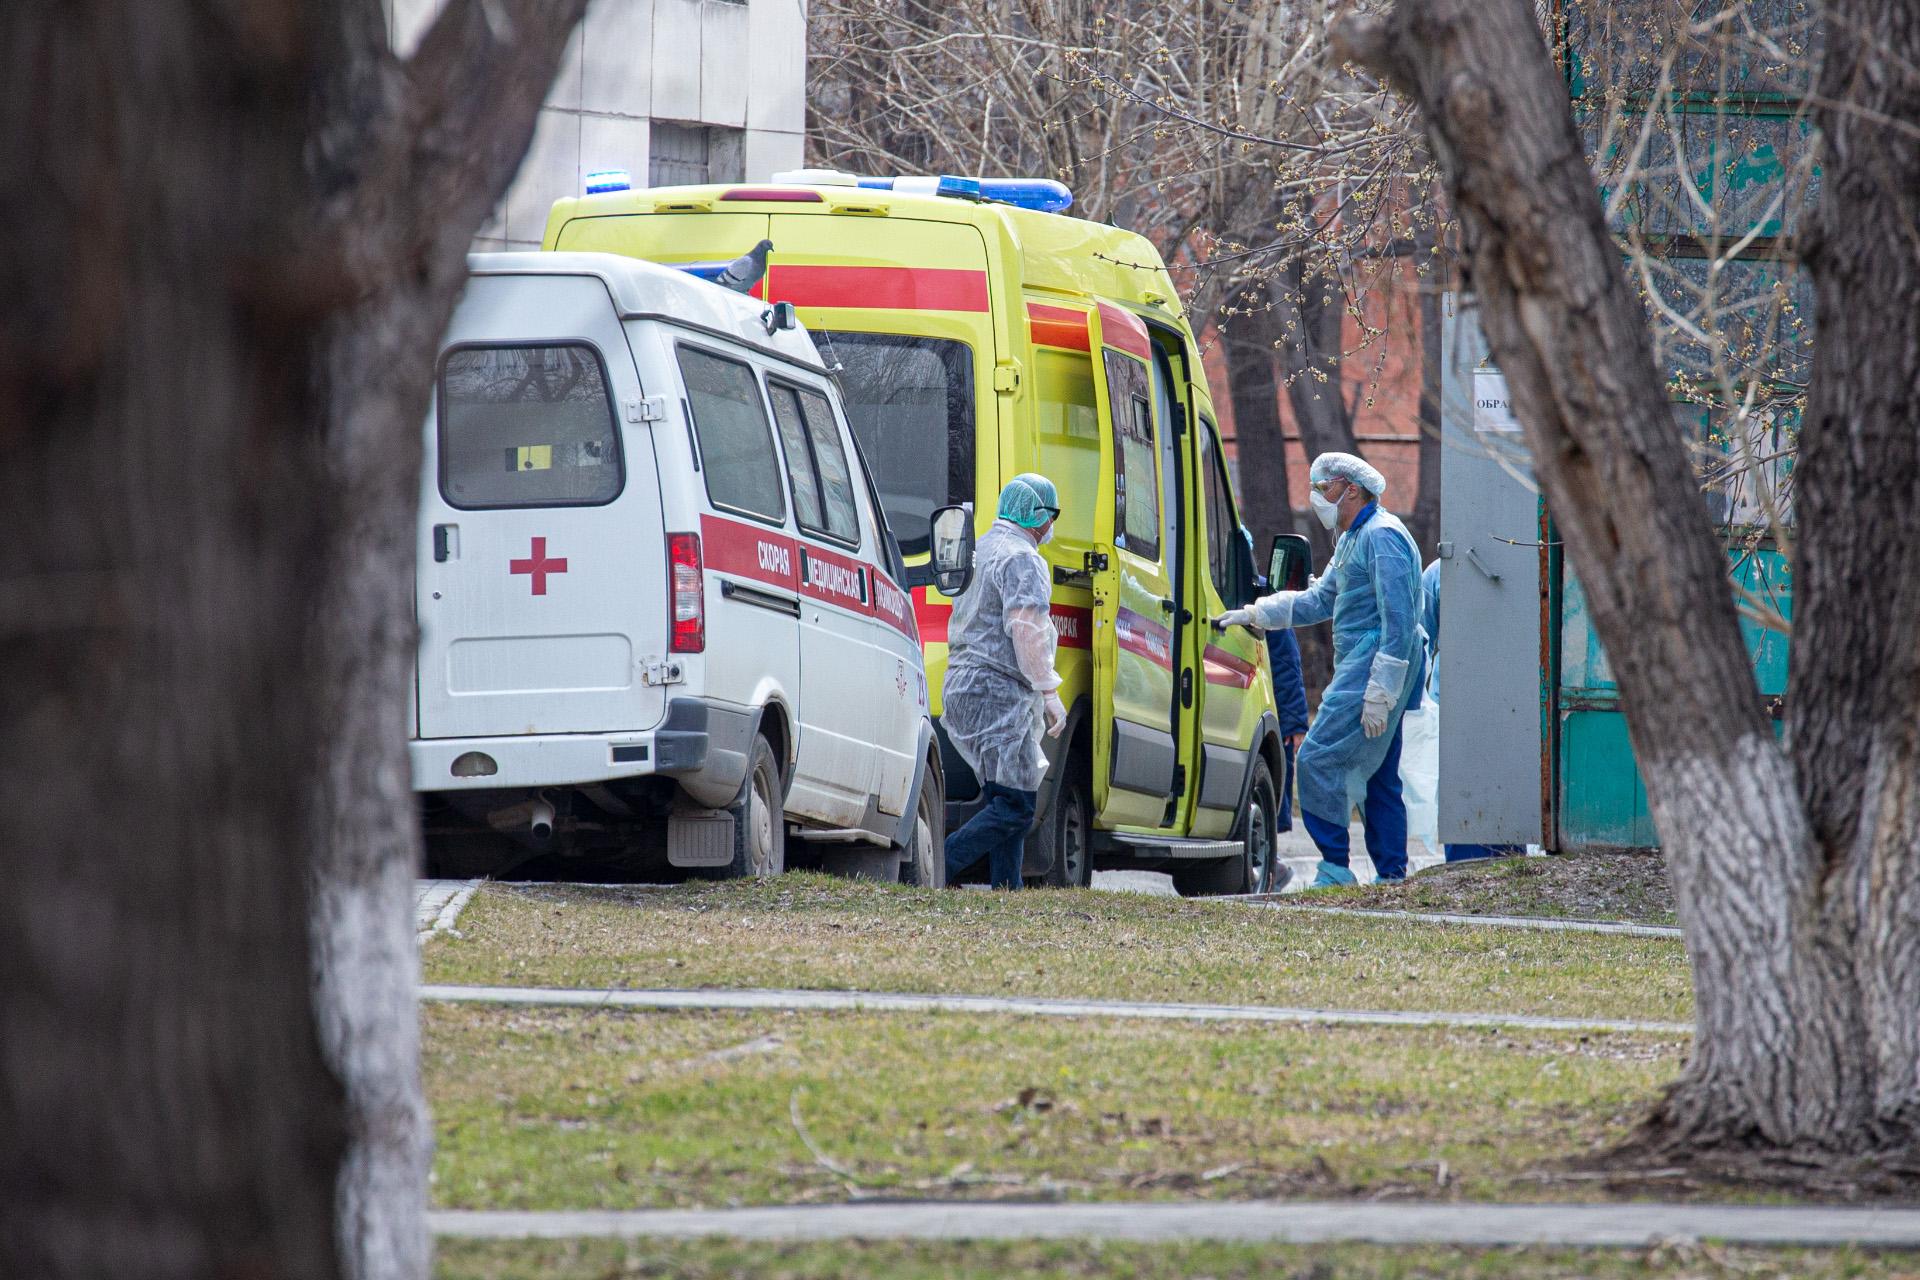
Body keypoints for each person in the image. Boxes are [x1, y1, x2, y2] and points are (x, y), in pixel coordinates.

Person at [1218, 453, 1425, 887]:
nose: (1315, 496)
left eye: (1323, 487)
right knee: (1380, 774)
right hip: (1364, 665)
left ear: (1351, 488)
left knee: (1314, 760)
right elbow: (1319, 600)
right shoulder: (1353, 537)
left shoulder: (1383, 537)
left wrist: (1380, 690)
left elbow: (1399, 622)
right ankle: (1391, 875)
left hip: (1375, 666)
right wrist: (1258, 612)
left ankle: (1334, 866)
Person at [942, 474, 1067, 889]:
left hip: (966, 688)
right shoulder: (1021, 558)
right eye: (1053, 515)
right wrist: (1048, 691)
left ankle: (1007, 890)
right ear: (1037, 516)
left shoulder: (984, 548)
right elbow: (1026, 629)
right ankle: (938, 865)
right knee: (1015, 806)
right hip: (996, 693)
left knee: (1004, 794)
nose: (1052, 526)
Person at [1419, 557, 1522, 863]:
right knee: (1464, 799)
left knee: (1503, 794)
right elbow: (1422, 640)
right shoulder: (1439, 573)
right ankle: (1472, 860)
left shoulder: (1440, 573)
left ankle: (1503, 858)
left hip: (1502, 705)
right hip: (1456, 704)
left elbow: (1421, 639)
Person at [1264, 626, 1309, 837]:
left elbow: (1287, 665)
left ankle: (1269, 844)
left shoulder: (1272, 615)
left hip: (1271, 712)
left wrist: (1294, 724)